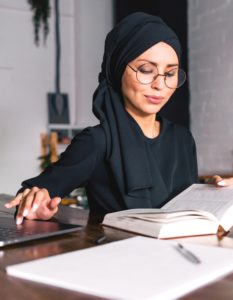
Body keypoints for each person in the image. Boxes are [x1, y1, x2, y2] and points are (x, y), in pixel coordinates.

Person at [5, 12, 233, 225]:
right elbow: (41, 190)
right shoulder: (98, 141)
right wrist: (37, 201)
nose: (159, 85)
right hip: (119, 260)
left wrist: (217, 195)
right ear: (118, 70)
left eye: (170, 73)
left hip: (184, 259)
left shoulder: (182, 139)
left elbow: (187, 210)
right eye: (146, 70)